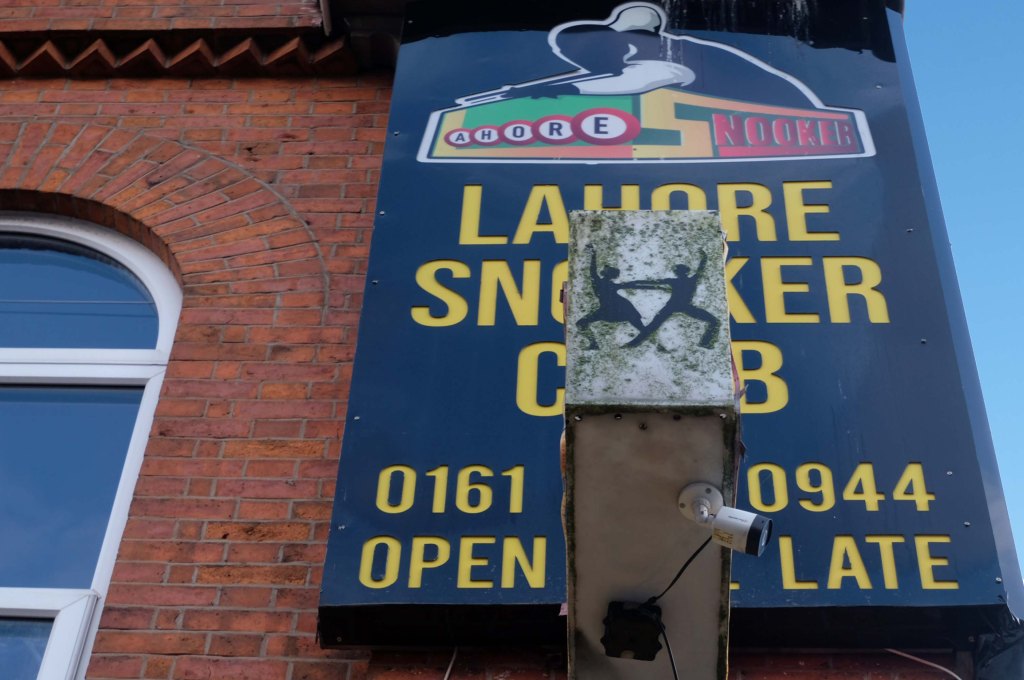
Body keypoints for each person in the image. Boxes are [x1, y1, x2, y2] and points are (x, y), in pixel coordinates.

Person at [624, 253, 719, 349]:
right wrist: (704, 257)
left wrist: (633, 283)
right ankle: (705, 342)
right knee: (714, 321)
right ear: (686, 272)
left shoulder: (675, 281)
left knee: (652, 326)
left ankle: (632, 344)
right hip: (683, 306)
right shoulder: (692, 280)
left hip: (674, 306)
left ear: (677, 273)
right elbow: (701, 269)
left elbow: (652, 282)